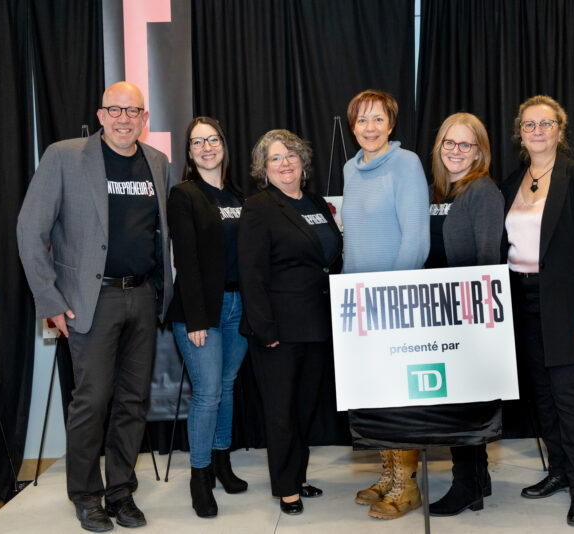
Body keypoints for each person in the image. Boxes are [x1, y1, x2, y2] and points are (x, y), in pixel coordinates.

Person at [17, 81, 172, 532]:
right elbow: (30, 231)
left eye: (134, 111)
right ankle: (85, 496)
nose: (125, 119)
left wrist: (163, 289)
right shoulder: (64, 156)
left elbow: (160, 233)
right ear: (101, 115)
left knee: (133, 400)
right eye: (115, 110)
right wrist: (50, 299)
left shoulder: (157, 162)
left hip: (142, 296)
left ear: (145, 119)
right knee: (92, 400)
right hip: (91, 300)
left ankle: (121, 492)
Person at [503, 95, 574, 527]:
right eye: (529, 125)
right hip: (523, 301)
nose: (537, 131)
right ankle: (558, 472)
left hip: (569, 308)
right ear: (520, 132)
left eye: (545, 123)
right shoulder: (512, 179)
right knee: (544, 399)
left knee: (572, 401)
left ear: (560, 129)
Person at [237, 129, 342, 516]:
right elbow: (252, 274)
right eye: (276, 158)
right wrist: (265, 331)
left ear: (303, 162)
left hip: (317, 325)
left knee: (304, 409)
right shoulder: (260, 207)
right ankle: (286, 487)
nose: (286, 163)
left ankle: (297, 475)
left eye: (292, 156)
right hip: (278, 330)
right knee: (281, 412)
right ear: (264, 169)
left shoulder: (315, 202)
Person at [341, 89, 429, 520]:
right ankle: (387, 473)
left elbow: (415, 237)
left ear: (391, 125)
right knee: (374, 392)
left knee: (399, 396)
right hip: (360, 307)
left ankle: (407, 486)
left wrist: (392, 297)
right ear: (352, 125)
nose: (370, 128)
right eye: (362, 120)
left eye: (378, 120)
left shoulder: (406, 164)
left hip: (395, 304)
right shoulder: (348, 169)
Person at [165, 117, 248, 518]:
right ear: (190, 152)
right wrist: (198, 319)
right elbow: (188, 260)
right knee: (208, 392)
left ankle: (221, 463)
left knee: (227, 386)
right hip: (200, 311)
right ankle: (200, 477)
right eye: (198, 142)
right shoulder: (184, 195)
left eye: (213, 139)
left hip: (238, 307)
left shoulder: (237, 195)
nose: (206, 147)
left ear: (223, 145)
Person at [423, 113, 504, 516]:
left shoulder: (483, 191)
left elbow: (489, 258)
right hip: (439, 311)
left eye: (465, 145)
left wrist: (480, 321)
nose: (456, 151)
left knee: (464, 405)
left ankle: (466, 485)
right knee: (457, 400)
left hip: (469, 313)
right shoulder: (437, 192)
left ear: (479, 151)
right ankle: (479, 477)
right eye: (449, 143)